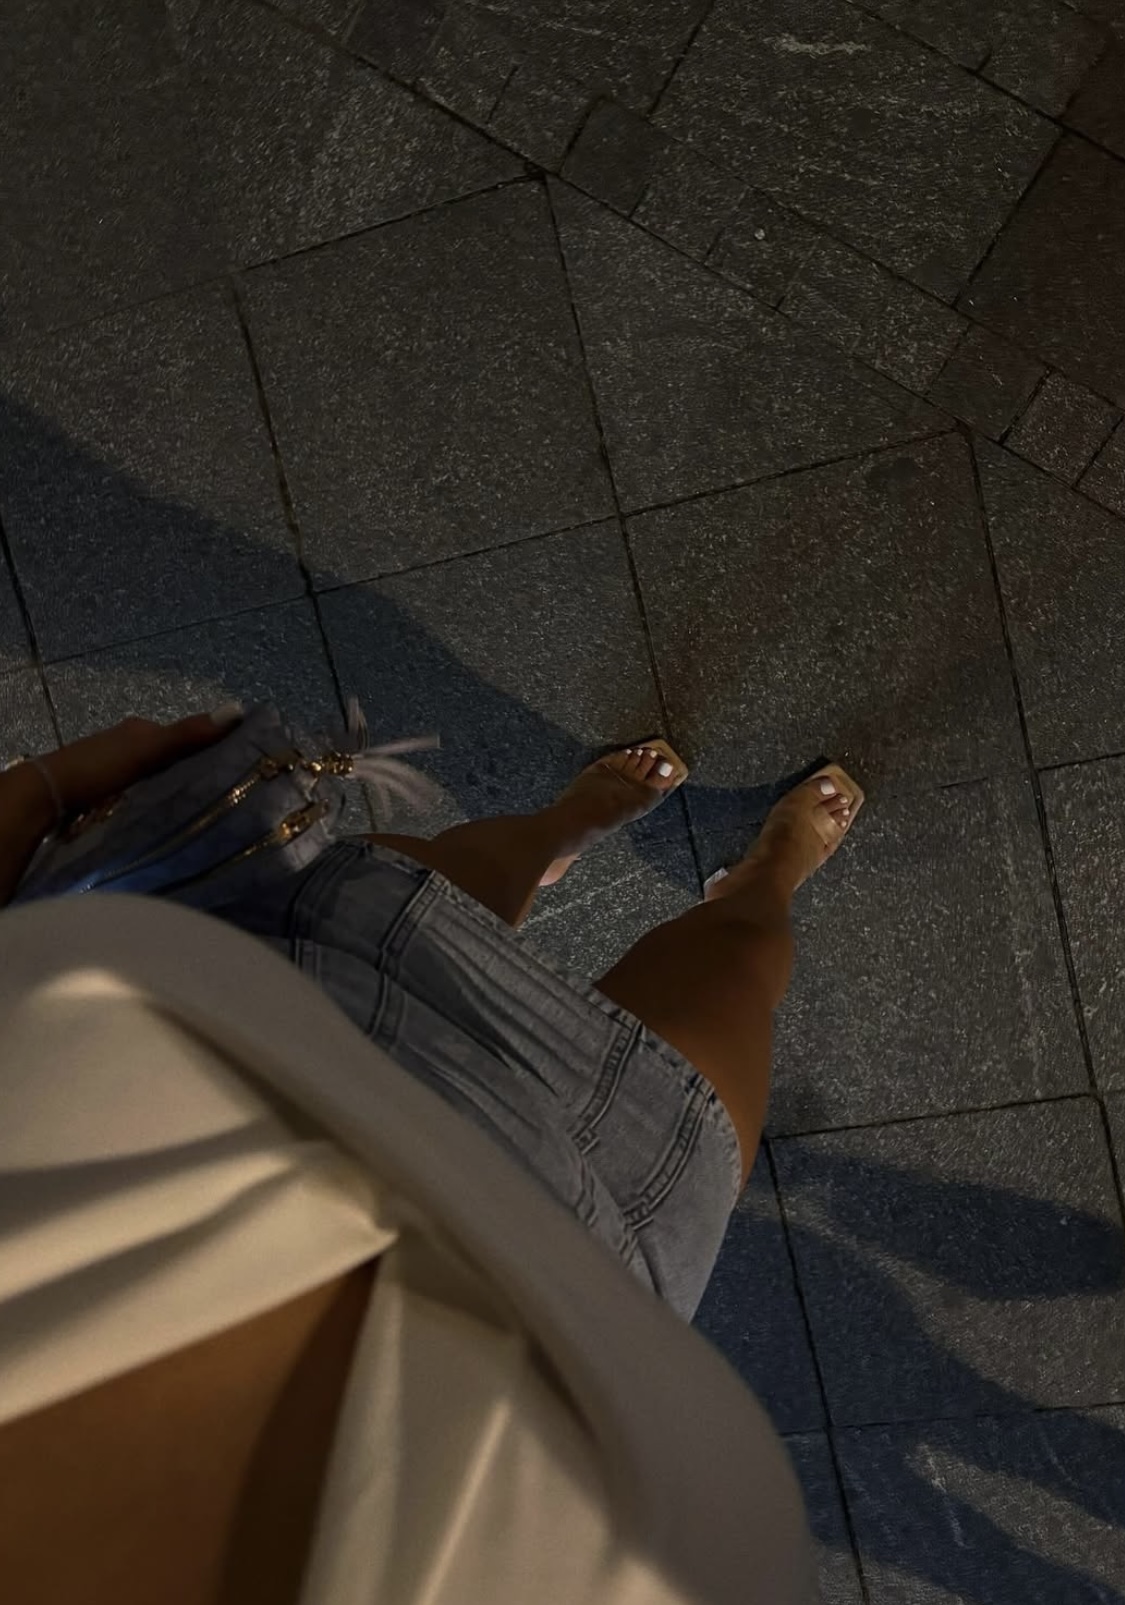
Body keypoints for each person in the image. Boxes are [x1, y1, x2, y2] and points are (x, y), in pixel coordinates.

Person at [0, 708, 863, 1605]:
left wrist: (29, 801)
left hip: (297, 998)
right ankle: (764, 876)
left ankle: (569, 824)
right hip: (593, 1265)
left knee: (486, 867)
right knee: (739, 956)